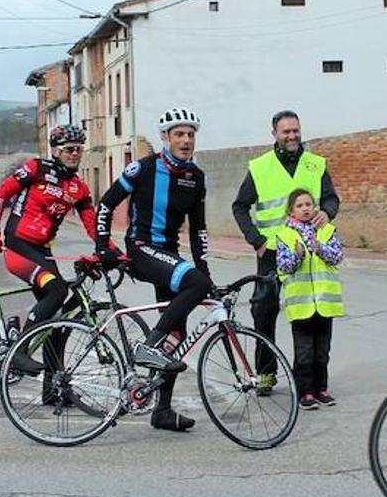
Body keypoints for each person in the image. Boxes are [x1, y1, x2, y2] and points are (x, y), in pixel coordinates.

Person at [94, 106, 211, 433]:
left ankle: (161, 409)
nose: (186, 140)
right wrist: (102, 245)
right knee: (193, 286)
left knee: (177, 332)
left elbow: (198, 230)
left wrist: (205, 270)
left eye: (190, 134)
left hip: (169, 253)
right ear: (165, 138)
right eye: (179, 134)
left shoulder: (196, 177)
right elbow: (105, 204)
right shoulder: (142, 169)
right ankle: (148, 346)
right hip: (143, 248)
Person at [0, 123, 100, 396]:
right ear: (56, 151)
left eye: (79, 150)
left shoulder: (78, 187)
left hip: (43, 250)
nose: (75, 154)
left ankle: (53, 389)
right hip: (18, 246)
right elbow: (1, 194)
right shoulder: (36, 169)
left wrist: (109, 250)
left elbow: (92, 223)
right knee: (57, 290)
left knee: (58, 320)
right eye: (70, 150)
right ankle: (20, 351)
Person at [231, 110, 340, 395]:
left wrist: (327, 213)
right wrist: (255, 239)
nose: (291, 136)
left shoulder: (316, 164)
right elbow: (240, 206)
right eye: (285, 132)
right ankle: (266, 374)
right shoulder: (260, 167)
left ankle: (306, 381)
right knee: (264, 312)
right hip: (270, 252)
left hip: (309, 255)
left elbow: (331, 198)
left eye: (295, 130)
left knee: (307, 315)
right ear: (275, 134)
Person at [275, 188, 345, 410]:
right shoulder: (285, 234)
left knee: (322, 351)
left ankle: (321, 388)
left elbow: (337, 256)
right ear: (291, 210)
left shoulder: (326, 230)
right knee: (304, 352)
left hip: (324, 303)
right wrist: (297, 255)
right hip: (301, 304)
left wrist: (320, 248)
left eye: (309, 204)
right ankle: (304, 391)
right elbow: (283, 266)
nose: (306, 209)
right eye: (300, 205)